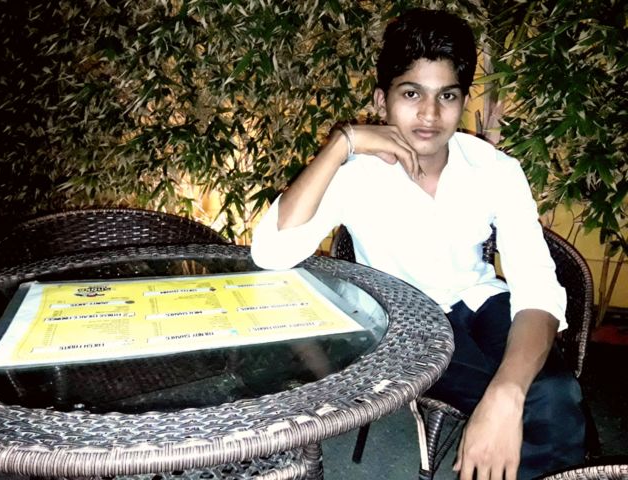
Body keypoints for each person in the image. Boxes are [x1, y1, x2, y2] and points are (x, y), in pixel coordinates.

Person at [250, 7, 586, 479]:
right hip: (404, 324)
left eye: (446, 96)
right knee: (543, 405)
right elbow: (271, 253)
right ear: (382, 100)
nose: (430, 114)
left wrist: (506, 393)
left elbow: (536, 287)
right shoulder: (357, 174)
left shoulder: (493, 169)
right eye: (411, 94)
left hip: (481, 301)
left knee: (548, 393)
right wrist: (342, 143)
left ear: (462, 101)